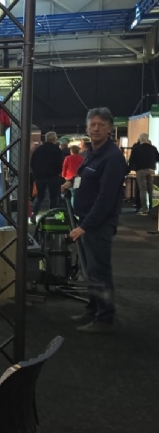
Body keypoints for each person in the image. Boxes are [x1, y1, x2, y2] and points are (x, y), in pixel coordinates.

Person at [62, 108, 126, 334]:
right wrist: (71, 182)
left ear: (110, 129)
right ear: (87, 127)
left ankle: (104, 318)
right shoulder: (92, 153)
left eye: (101, 125)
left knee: (100, 272)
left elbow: (106, 198)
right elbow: (84, 176)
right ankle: (92, 309)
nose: (96, 128)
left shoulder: (112, 158)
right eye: (92, 125)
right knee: (90, 270)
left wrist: (84, 227)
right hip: (86, 220)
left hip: (98, 224)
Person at [30, 131, 64, 216]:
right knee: (54, 197)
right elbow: (59, 163)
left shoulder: (38, 150)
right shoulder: (56, 150)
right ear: (54, 139)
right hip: (52, 176)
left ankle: (33, 213)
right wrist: (58, 172)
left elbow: (32, 163)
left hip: (39, 177)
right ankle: (51, 215)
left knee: (39, 196)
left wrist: (36, 173)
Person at [127, 133, 159, 215]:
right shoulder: (153, 148)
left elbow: (132, 161)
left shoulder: (136, 149)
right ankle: (153, 207)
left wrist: (133, 169)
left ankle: (144, 208)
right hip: (151, 170)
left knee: (142, 190)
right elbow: (157, 158)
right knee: (151, 190)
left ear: (140, 139)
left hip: (140, 171)